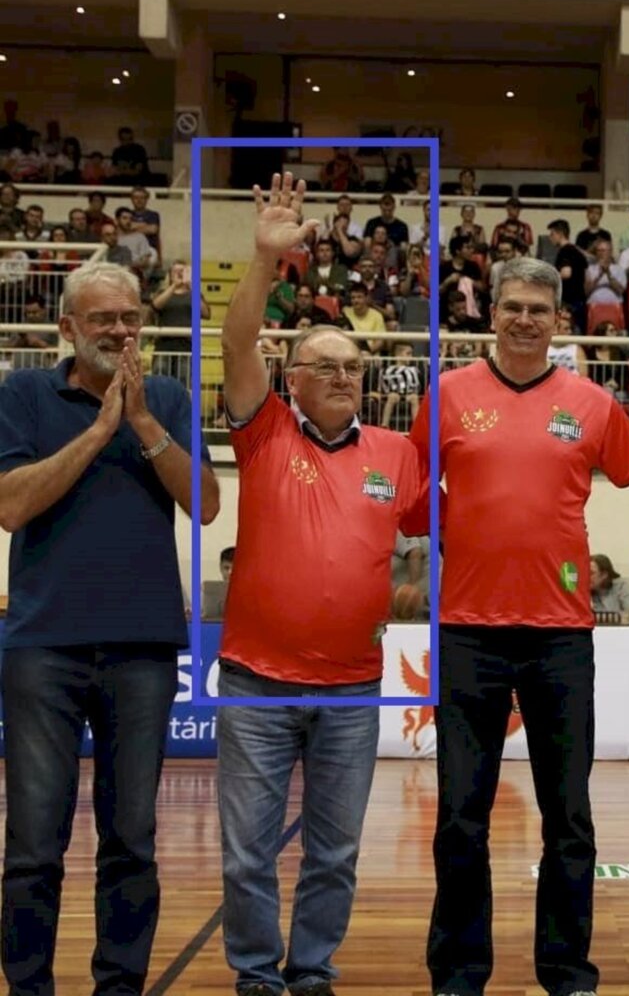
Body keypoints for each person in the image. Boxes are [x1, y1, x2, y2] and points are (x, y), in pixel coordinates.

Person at [409, 256, 629, 996]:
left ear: (559, 321)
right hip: (466, 634)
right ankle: (458, 973)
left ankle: (567, 970)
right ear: (492, 314)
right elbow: (409, 495)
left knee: (569, 818)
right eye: (512, 307)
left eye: (538, 310)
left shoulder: (592, 404)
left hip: (560, 636)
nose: (525, 319)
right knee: (460, 816)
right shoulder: (447, 395)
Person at [215, 173, 423, 996]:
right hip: (257, 682)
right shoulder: (263, 431)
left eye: (353, 367)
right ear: (291, 378)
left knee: (336, 850)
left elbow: (444, 531)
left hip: (352, 688)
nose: (341, 376)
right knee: (248, 851)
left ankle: (311, 973)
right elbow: (236, 346)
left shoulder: (398, 454)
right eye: (324, 365)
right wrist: (264, 261)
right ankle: (255, 975)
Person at [0, 261, 219, 996]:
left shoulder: (167, 396)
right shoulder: (24, 393)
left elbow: (208, 506)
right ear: (68, 327)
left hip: (144, 649)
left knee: (132, 842)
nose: (121, 331)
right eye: (104, 320)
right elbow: (11, 506)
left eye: (130, 318)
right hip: (43, 647)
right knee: (34, 846)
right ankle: (29, 988)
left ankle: (118, 988)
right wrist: (100, 429)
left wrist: (146, 424)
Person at [590, 553, 629, 624]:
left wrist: (597, 618)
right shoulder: (584, 592)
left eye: (591, 573)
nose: (586, 577)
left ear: (604, 574)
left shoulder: (622, 587)